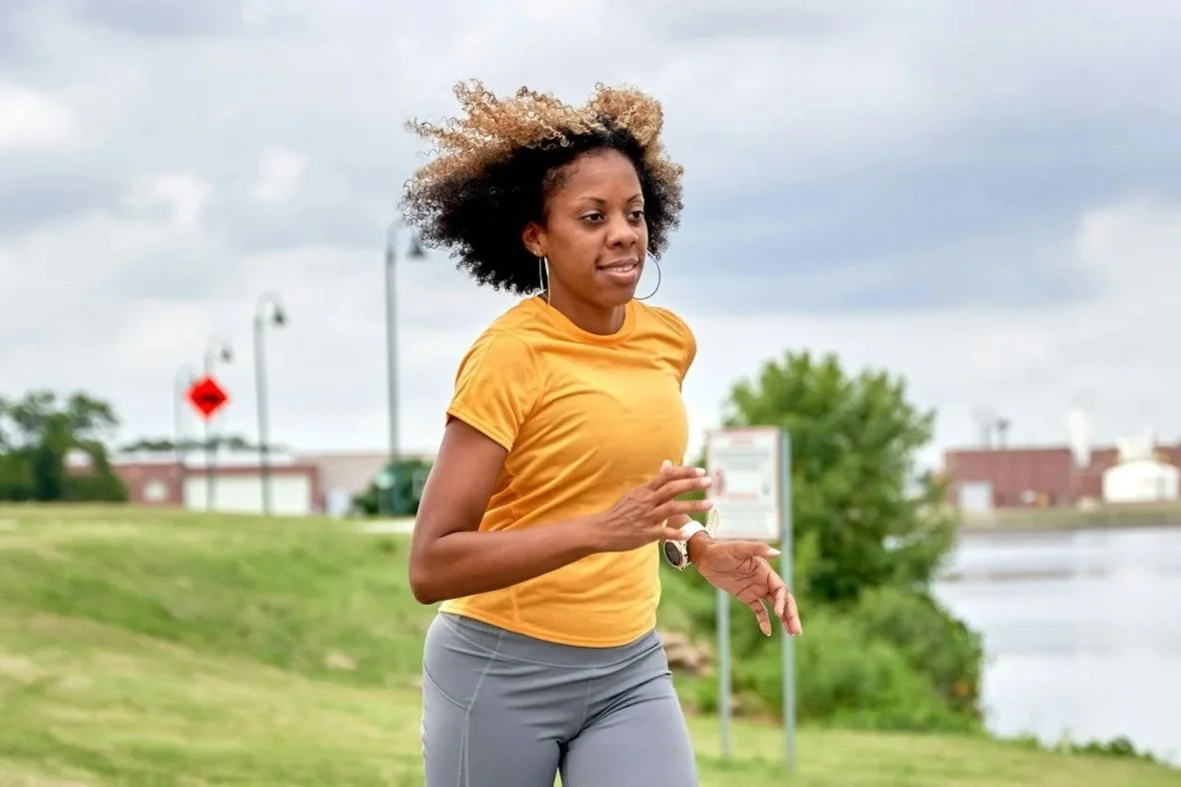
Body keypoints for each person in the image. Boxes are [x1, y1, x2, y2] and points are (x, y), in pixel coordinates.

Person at [402, 80, 803, 787]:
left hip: (628, 665)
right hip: (500, 665)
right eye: (591, 217)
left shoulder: (667, 341)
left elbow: (632, 497)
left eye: (633, 213)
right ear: (536, 235)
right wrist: (598, 530)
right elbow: (431, 565)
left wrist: (696, 545)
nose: (622, 232)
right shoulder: (510, 355)